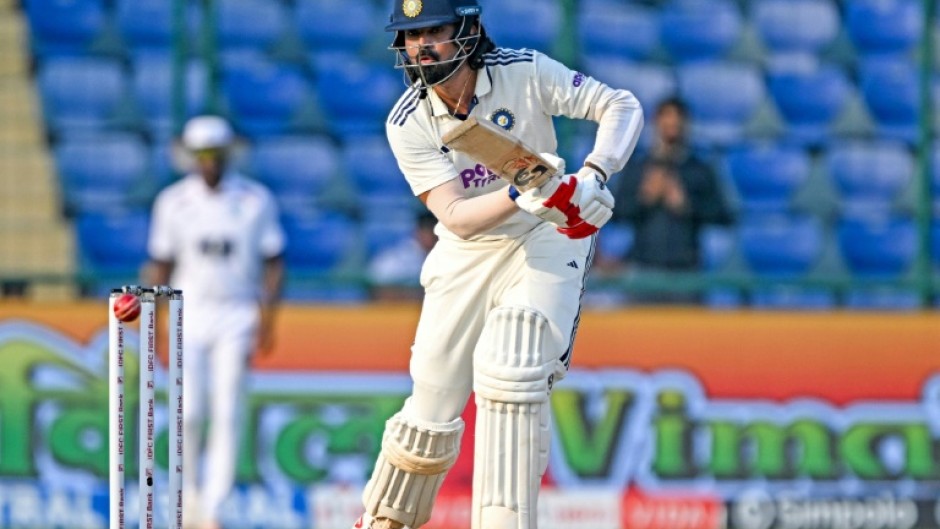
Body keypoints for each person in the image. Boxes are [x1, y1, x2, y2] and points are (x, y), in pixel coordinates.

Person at [351, 1, 643, 528]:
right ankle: (386, 521)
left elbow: (621, 105)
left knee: (513, 363)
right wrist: (521, 191)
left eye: (435, 30)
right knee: (430, 411)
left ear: (469, 28)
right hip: (467, 251)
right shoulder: (408, 120)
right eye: (412, 35)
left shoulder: (524, 70)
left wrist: (595, 174)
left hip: (547, 234)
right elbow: (458, 217)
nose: (423, 45)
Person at [144, 115, 285, 529]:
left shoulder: (255, 200)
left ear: (228, 155)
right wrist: (157, 322)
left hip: (237, 312)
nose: (209, 163)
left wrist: (267, 319)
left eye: (216, 155)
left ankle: (215, 508)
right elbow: (161, 264)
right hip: (190, 312)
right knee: (188, 411)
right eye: (201, 155)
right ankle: (188, 502)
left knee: (227, 409)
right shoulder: (172, 202)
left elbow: (274, 261)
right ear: (190, 157)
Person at [609, 97, 734, 303]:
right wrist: (645, 198)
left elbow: (722, 215)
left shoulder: (699, 169)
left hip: (686, 272)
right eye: (666, 121)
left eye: (677, 122)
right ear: (657, 123)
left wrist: (686, 205)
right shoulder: (638, 168)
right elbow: (617, 213)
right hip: (644, 269)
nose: (671, 128)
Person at [367, 211, 438, 301]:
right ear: (418, 231)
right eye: (429, 230)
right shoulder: (393, 259)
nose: (435, 236)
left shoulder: (448, 256)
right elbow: (378, 291)